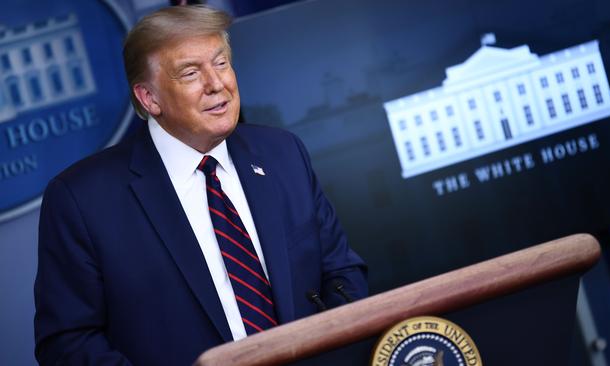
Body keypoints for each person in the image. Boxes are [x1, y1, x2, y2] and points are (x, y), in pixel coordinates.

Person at [33, 5, 367, 365]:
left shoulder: (282, 154)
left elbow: (342, 274)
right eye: (190, 73)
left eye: (221, 63)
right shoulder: (82, 200)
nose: (216, 84)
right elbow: (68, 345)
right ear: (149, 98)